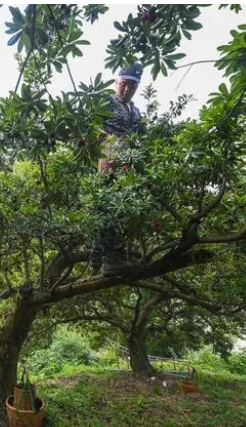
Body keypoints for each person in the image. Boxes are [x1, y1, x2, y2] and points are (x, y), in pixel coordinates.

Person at [91, 63, 144, 276]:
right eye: (123, 84)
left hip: (127, 165)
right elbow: (89, 124)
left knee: (117, 208)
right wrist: (98, 137)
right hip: (109, 156)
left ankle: (97, 255)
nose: (127, 89)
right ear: (116, 83)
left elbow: (141, 137)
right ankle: (111, 260)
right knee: (107, 206)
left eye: (132, 85)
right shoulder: (106, 101)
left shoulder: (136, 111)